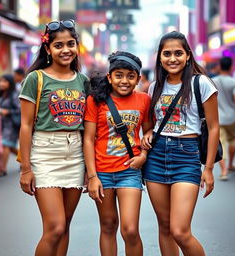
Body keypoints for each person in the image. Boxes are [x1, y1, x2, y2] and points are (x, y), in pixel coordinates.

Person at [141, 31, 219, 256]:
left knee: (180, 230)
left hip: (186, 156)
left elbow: (213, 127)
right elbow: (151, 123)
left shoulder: (201, 83)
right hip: (156, 157)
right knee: (164, 227)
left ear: (187, 56)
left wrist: (210, 168)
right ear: (160, 57)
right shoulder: (155, 86)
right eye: (167, 54)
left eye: (178, 53)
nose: (172, 58)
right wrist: (147, 133)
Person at [19, 20, 89, 256]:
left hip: (76, 154)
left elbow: (89, 128)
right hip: (45, 154)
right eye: (59, 45)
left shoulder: (83, 81)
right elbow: (26, 125)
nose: (66, 50)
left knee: (65, 225)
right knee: (55, 226)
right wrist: (26, 169)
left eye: (70, 44)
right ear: (48, 49)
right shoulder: (35, 79)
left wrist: (91, 170)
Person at [84, 51, 151, 256]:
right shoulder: (95, 101)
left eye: (130, 76)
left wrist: (144, 156)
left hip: (129, 171)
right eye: (119, 75)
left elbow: (148, 130)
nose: (124, 81)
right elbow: (88, 139)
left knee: (130, 230)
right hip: (102, 172)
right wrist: (92, 176)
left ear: (138, 79)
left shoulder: (144, 100)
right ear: (110, 77)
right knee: (108, 226)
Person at [213, 57, 235, 179]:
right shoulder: (234, 82)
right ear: (231, 67)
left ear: (219, 66)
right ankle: (230, 164)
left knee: (220, 144)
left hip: (217, 117)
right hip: (232, 117)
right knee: (232, 141)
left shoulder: (213, 81)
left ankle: (224, 171)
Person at [0, 74, 20, 177]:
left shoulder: (14, 94)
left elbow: (20, 109)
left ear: (10, 83)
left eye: (4, 81)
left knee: (5, 144)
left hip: (12, 124)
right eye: (1, 81)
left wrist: (8, 111)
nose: (2, 83)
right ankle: (25, 160)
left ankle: (2, 169)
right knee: (9, 147)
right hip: (2, 124)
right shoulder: (1, 94)